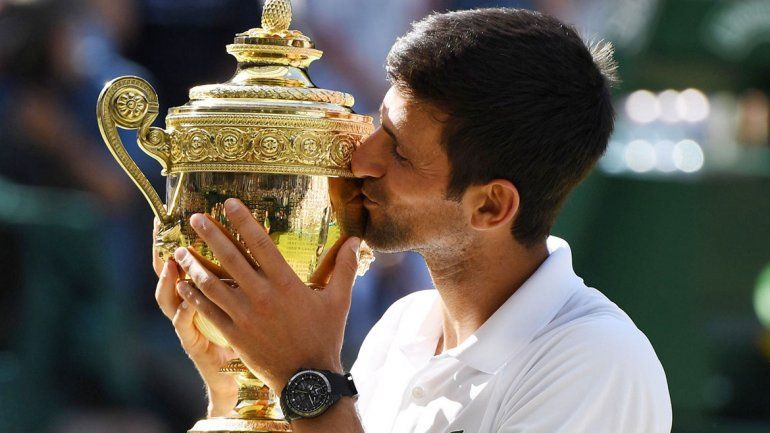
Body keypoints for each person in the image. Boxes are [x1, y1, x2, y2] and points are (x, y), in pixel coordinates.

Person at [154, 8, 672, 433]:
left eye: (399, 152)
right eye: (380, 126)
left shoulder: (597, 362)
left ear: (491, 207)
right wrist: (240, 390)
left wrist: (305, 375)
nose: (361, 160)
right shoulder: (401, 330)